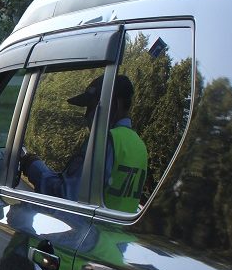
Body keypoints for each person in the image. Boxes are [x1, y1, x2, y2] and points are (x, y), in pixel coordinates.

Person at [19, 74, 147, 212]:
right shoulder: (139, 146)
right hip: (116, 232)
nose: (86, 115)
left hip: (91, 231)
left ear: (114, 104)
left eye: (91, 107)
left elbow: (67, 198)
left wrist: (33, 166)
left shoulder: (105, 142)